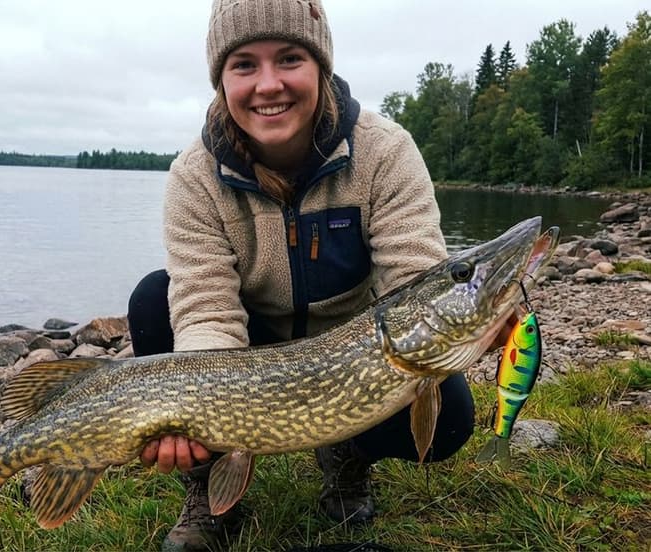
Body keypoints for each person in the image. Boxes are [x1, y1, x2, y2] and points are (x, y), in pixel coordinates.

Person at [126, 1, 479, 550]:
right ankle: (209, 484)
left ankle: (346, 452)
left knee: (449, 415)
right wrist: (193, 415)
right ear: (221, 79)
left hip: (352, 346)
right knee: (155, 299)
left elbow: (415, 282)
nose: (269, 85)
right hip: (246, 348)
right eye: (244, 64)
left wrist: (473, 315)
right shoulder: (194, 177)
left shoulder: (384, 151)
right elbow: (206, 309)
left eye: (290, 58)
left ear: (321, 67)